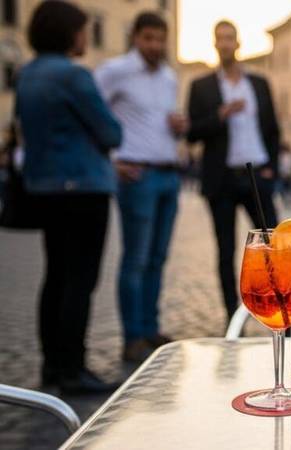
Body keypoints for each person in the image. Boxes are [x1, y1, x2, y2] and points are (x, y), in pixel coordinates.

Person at [16, 0, 122, 393]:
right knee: (81, 280)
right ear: (67, 33)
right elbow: (111, 133)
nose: (85, 36)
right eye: (82, 29)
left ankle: (52, 367)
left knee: (56, 277)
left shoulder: (27, 74)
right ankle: (74, 369)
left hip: (45, 188)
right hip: (84, 189)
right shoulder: (73, 76)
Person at [95, 12, 187, 363]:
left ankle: (149, 328)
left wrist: (179, 126)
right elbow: (91, 115)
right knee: (135, 259)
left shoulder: (168, 77)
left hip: (168, 173)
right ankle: (131, 336)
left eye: (160, 39)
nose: (155, 45)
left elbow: (161, 124)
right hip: (137, 176)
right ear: (135, 37)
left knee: (158, 259)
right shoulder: (113, 71)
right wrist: (111, 161)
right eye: (148, 38)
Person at [187, 20, 280, 320]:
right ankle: (232, 315)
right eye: (220, 39)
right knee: (225, 251)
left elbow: (273, 130)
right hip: (222, 178)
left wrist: (272, 169)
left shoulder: (259, 84)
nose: (225, 44)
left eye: (230, 38)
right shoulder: (201, 87)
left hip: (257, 175)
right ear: (215, 44)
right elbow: (192, 133)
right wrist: (221, 114)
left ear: (238, 43)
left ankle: (283, 310)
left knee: (275, 249)